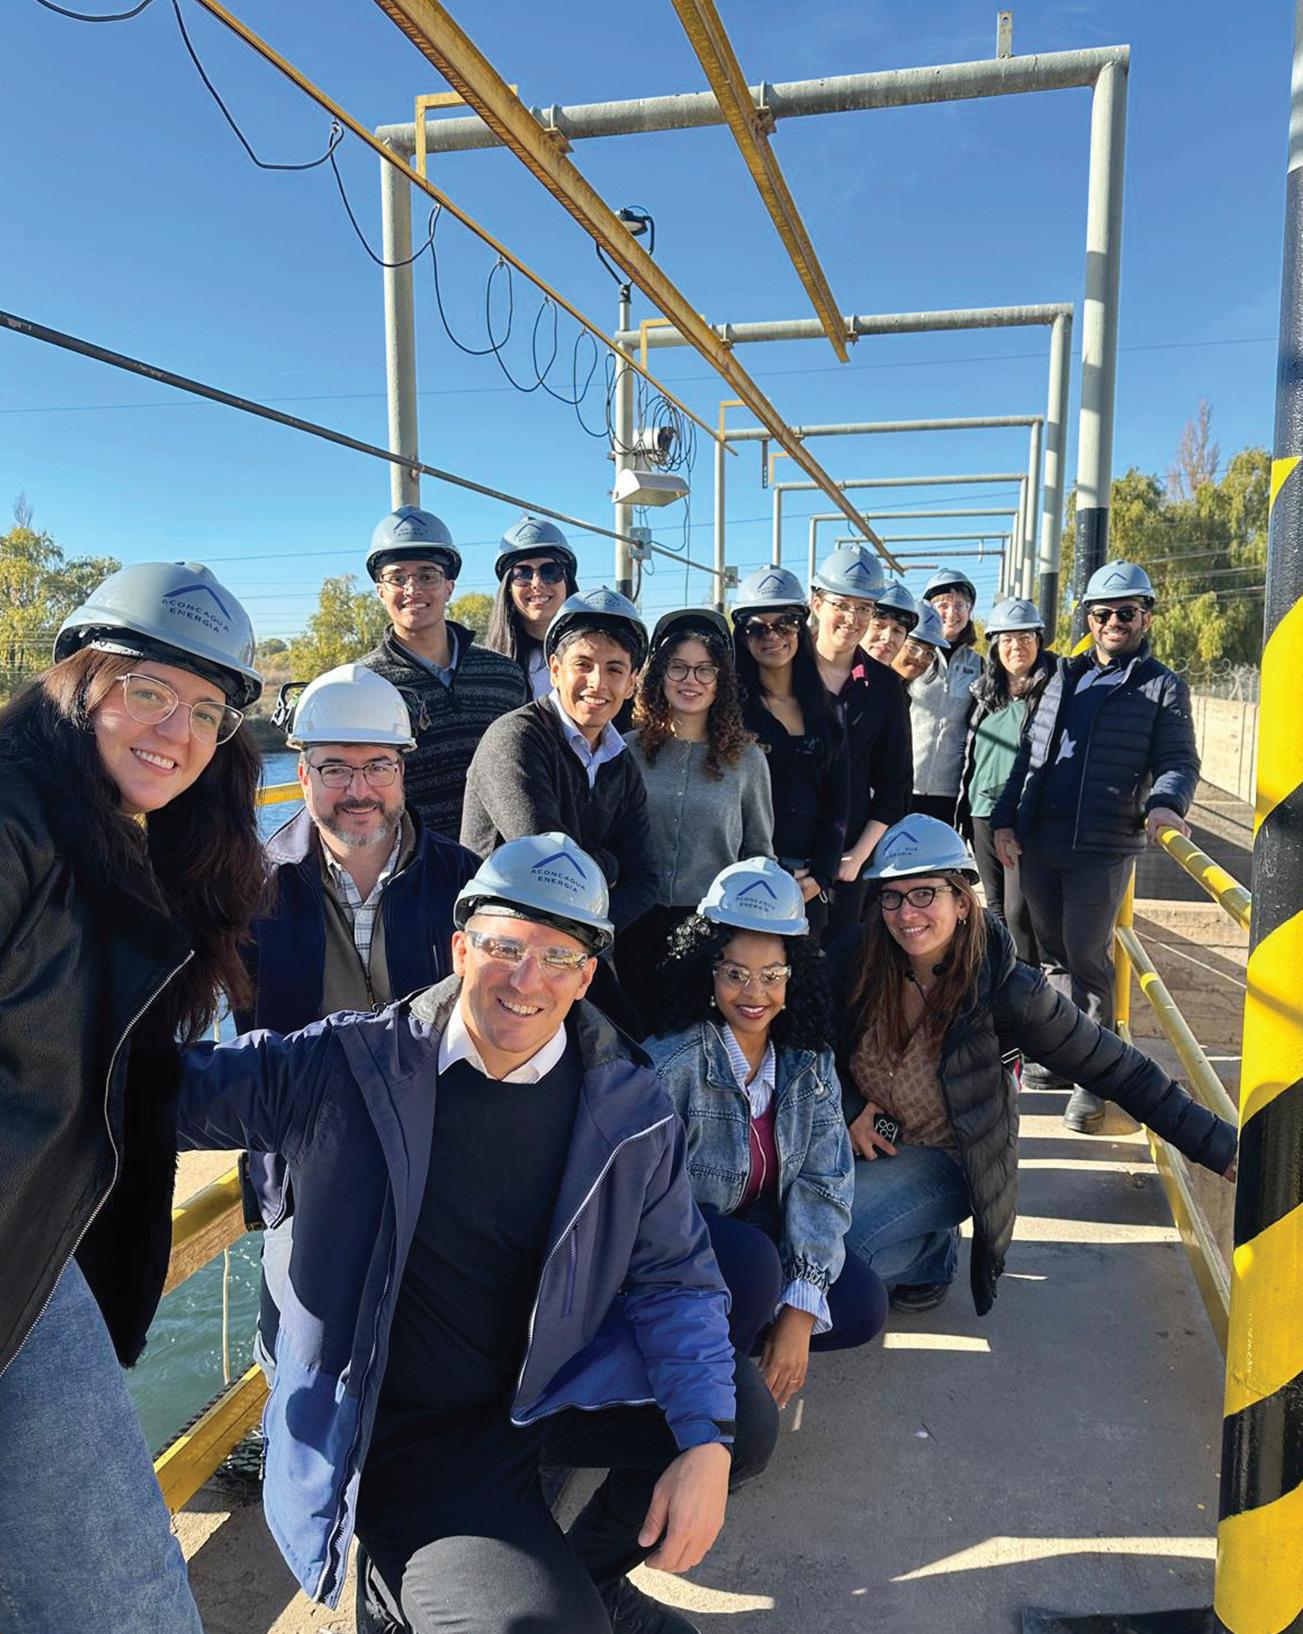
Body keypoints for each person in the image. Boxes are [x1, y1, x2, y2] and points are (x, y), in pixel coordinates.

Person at [177, 836, 779, 1634]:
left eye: (558, 957)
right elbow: (156, 1091)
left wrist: (702, 1444)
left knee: (738, 1419)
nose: (528, 981)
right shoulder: (346, 1067)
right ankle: (415, 1589)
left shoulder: (624, 1101)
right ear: (460, 949)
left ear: (586, 976)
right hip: (414, 1430)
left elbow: (673, 1278)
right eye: (504, 948)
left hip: (545, 1386)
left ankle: (590, 1580)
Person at [0, 562, 266, 1634]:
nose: (177, 730)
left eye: (206, 711)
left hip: (35, 1252)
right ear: (79, 677)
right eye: (149, 690)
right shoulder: (14, 813)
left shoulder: (122, 840)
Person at [837, 816, 1235, 1315]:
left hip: (949, 1155)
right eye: (891, 897)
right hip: (859, 1142)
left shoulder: (1009, 990)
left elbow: (1117, 1069)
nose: (905, 912)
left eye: (924, 893)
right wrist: (850, 1107)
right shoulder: (857, 960)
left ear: (961, 901)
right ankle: (920, 1240)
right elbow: (803, 1041)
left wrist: (1222, 1147)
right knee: (793, 1227)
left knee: (837, 1246)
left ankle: (929, 1256)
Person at [239, 662, 479, 1376]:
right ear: (302, 774)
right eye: (335, 769)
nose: (359, 790)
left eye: (377, 766)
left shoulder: (468, 885)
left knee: (438, 1358)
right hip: (307, 1172)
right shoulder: (248, 889)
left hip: (443, 1165)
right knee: (299, 1364)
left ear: (403, 770)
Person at [647, 860, 888, 1410]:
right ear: (705, 971)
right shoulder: (671, 1066)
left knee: (861, 1303)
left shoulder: (808, 1061)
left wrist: (799, 1315)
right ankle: (691, 1384)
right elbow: (648, 1212)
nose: (753, 993)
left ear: (794, 976)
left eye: (772, 975)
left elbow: (824, 1180)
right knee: (754, 1264)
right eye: (734, 973)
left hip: (757, 1241)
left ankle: (738, 1340)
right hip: (684, 1253)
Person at [991, 562, 1200, 1133]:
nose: (1113, 622)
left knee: (1087, 958)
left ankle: (1094, 1077)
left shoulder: (1161, 685)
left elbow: (1179, 760)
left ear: (1145, 618)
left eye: (1126, 612)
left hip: (1102, 846)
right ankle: (1062, 1054)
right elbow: (1028, 756)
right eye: (1102, 613)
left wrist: (1166, 805)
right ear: (1088, 619)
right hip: (1042, 839)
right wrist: (1006, 820)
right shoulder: (1065, 676)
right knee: (1053, 957)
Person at [461, 587, 656, 935]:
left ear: (631, 684)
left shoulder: (621, 761)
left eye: (614, 669)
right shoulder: (515, 739)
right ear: (555, 670)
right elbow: (550, 867)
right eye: (583, 665)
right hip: (502, 940)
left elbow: (645, 880)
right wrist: (611, 866)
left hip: (577, 943)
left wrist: (594, 935)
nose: (597, 683)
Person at [621, 608, 773, 1022]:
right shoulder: (625, 750)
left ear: (721, 681)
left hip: (711, 928)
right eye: (679, 668)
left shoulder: (747, 760)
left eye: (705, 670)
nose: (691, 680)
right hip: (633, 923)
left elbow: (759, 854)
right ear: (659, 674)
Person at [360, 505, 527, 841]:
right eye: (397, 578)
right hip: (414, 864)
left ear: (449, 586)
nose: (412, 589)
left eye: (427, 576)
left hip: (502, 863)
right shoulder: (363, 687)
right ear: (380, 590)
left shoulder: (504, 676)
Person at [731, 565, 847, 942]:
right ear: (741, 636)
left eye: (785, 623)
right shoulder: (729, 711)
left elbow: (837, 805)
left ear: (801, 628)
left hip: (806, 886)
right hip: (743, 881)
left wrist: (821, 876)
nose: (772, 635)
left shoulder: (827, 711)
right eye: (757, 627)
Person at [808, 547, 913, 941]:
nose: (852, 619)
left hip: (845, 862)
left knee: (838, 959)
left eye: (864, 608)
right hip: (781, 854)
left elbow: (895, 784)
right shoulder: (783, 672)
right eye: (841, 605)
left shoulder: (884, 688)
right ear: (817, 604)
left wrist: (858, 857)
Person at [961, 597, 1056, 967]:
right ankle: (1003, 976)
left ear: (1039, 641)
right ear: (996, 647)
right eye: (1007, 640)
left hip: (1020, 813)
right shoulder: (986, 694)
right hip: (980, 809)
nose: (1016, 647)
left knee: (1020, 909)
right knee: (996, 905)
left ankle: (1028, 978)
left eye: (1025, 638)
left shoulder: (1052, 692)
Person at [908, 567, 983, 826]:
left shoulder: (978, 665)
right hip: (905, 781)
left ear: (970, 611)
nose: (952, 613)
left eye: (960, 605)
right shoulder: (912, 654)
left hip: (948, 790)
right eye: (943, 605)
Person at [483, 516, 580, 699]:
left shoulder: (599, 655)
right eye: (522, 573)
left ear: (567, 581)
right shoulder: (485, 669)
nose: (537, 583)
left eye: (550, 571)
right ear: (508, 587)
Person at [890, 600, 950, 687]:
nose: (921, 658)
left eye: (929, 653)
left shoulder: (897, 691)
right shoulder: (870, 686)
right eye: (913, 648)